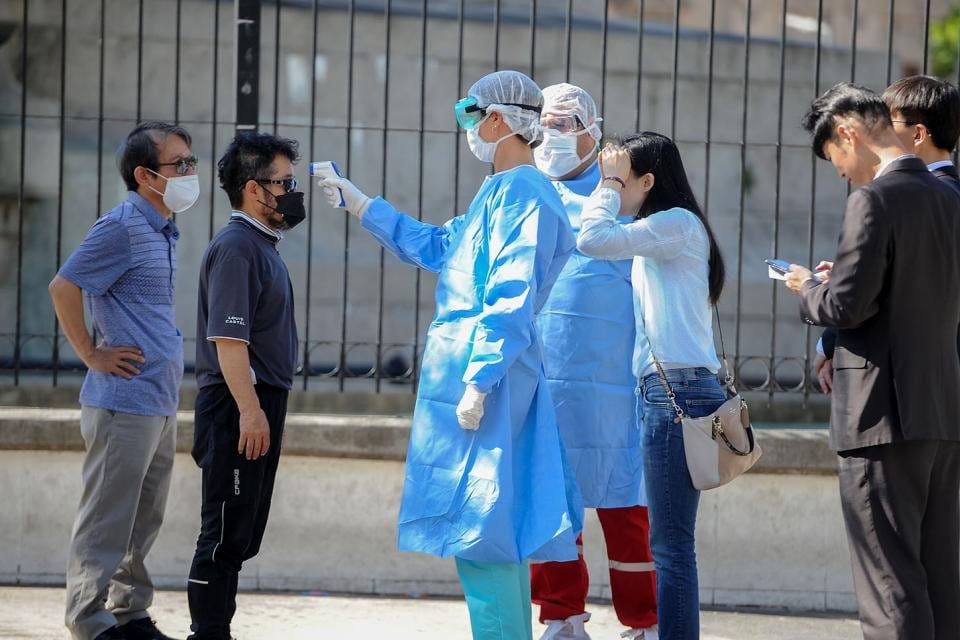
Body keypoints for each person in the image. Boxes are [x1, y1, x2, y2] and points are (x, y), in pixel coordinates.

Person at [317, 69, 583, 640]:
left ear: (498, 120)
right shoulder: (499, 191)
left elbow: (511, 292)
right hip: (469, 370)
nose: (466, 127)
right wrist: (362, 205)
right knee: (482, 528)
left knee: (482, 526)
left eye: (470, 114)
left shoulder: (526, 194)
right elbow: (442, 246)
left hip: (489, 375)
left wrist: (480, 380)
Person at [785, 82, 960, 639]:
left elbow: (846, 306)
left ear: (848, 133)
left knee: (889, 586)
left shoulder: (875, 199)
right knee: (938, 581)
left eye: (835, 158)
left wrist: (806, 289)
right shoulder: (949, 196)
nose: (841, 173)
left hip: (879, 415)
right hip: (940, 413)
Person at [50, 121, 199, 640]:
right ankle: (89, 622)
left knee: (142, 520)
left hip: (157, 400)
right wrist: (91, 354)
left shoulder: (161, 230)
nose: (189, 172)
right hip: (122, 402)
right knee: (107, 519)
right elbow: (64, 286)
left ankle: (129, 614)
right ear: (144, 175)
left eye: (191, 161)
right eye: (179, 164)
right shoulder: (121, 226)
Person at [577, 133, 728, 640]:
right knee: (671, 543)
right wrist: (612, 182)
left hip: (676, 393)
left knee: (670, 546)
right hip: (674, 391)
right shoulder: (665, 230)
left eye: (622, 179)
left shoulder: (674, 225)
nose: (612, 188)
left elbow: (591, 239)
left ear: (647, 181)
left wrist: (606, 184)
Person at [531, 83, 658, 640]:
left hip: (613, 389)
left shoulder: (623, 201)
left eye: (564, 124)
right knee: (551, 506)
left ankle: (646, 621)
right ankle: (561, 616)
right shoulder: (528, 196)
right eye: (543, 125)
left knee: (626, 507)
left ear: (593, 131)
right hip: (542, 381)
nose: (551, 136)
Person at [186, 132, 303, 639]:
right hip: (236, 405)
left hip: (256, 401)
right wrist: (251, 412)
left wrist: (263, 410)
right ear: (255, 189)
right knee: (223, 535)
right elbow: (229, 342)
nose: (293, 194)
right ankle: (207, 632)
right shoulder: (237, 248)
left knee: (241, 532)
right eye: (285, 184)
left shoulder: (259, 247)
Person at [814, 76, 960, 392]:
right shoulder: (946, 195)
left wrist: (829, 338)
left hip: (903, 383)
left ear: (918, 134)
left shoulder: (913, 197)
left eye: (889, 123)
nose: (881, 132)